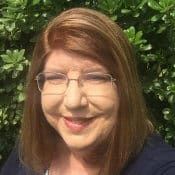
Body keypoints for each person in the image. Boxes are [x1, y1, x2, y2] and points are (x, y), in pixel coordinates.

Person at [1, 7, 175, 175]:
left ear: (125, 87)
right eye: (56, 77)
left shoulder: (161, 168)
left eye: (95, 78)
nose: (73, 101)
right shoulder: (29, 152)